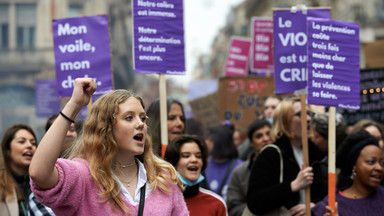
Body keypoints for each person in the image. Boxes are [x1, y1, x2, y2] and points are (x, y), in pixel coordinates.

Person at [29, 78, 188, 215]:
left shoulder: (163, 178)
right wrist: (74, 105)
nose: (140, 124)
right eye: (129, 117)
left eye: (142, 118)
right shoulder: (83, 176)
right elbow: (39, 173)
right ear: (106, 128)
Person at [246, 97, 325, 216]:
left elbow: (324, 194)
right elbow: (255, 201)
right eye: (300, 114)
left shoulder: (315, 154)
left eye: (309, 114)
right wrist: (292, 186)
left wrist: (314, 206)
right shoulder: (271, 154)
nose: (308, 119)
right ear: (285, 121)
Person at [312, 131, 384, 216]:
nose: (379, 168)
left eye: (382, 163)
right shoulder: (330, 205)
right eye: (371, 162)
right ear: (354, 166)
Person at [164, 134, 228, 216]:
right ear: (173, 163)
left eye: (198, 156)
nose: (194, 160)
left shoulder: (217, 204)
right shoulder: (159, 201)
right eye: (186, 156)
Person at [0, 124, 53, 216]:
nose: (29, 146)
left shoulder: (43, 182)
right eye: (21, 141)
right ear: (7, 150)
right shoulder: (1, 184)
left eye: (33, 143)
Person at [227, 120, 271, 216]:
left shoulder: (285, 164)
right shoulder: (240, 172)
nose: (266, 139)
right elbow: (233, 208)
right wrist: (259, 208)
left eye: (269, 134)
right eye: (259, 136)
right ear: (251, 142)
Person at [310, 112, 347, 202]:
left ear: (329, 137)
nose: (313, 139)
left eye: (316, 136)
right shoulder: (317, 159)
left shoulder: (346, 163)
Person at [204, 125, 243, 200]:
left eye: (209, 139)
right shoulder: (204, 166)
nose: (206, 142)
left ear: (219, 142)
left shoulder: (240, 167)